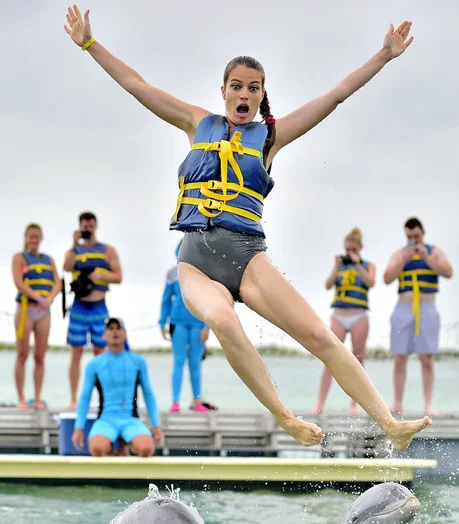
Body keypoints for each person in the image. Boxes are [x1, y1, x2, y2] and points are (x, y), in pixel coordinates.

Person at [64, 8, 431, 450]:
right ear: (223, 91)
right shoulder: (196, 122)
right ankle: (283, 416)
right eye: (236, 86)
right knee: (222, 318)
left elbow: (334, 96)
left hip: (247, 255)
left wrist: (384, 56)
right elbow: (135, 84)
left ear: (261, 96)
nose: (244, 94)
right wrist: (89, 44)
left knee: (320, 335)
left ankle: (390, 423)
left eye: (253, 89)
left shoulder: (271, 137)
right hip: (195, 261)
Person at [384, 217, 453, 416]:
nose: (413, 240)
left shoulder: (434, 251)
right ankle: (397, 403)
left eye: (416, 236)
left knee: (426, 357)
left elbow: (448, 272)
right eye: (409, 237)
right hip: (403, 306)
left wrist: (427, 259)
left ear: (423, 233)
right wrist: (403, 260)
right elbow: (387, 278)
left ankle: (428, 404)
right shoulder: (399, 254)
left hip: (427, 306)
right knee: (399, 357)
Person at [72, 317, 163, 457]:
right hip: (106, 420)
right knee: (97, 448)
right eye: (111, 329)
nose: (115, 332)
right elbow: (85, 397)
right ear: (104, 335)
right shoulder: (95, 364)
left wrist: (156, 425)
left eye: (118, 329)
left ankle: (125, 447)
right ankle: (114, 452)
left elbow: (148, 394)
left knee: (146, 449)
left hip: (130, 420)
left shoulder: (138, 361)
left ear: (125, 334)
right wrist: (79, 428)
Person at [63, 211, 122, 410]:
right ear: (80, 227)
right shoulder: (74, 251)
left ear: (95, 226)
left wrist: (101, 276)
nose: (88, 229)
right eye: (84, 226)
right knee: (76, 353)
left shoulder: (108, 250)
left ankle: (102, 398)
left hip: (99, 306)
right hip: (79, 306)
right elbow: (66, 267)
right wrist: (74, 244)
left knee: (100, 352)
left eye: (90, 226)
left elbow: (119, 276)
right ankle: (73, 399)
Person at [313, 227, 375, 415]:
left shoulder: (367, 265)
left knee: (357, 361)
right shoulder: (341, 266)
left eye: (353, 250)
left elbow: (371, 282)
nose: (350, 253)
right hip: (339, 315)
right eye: (347, 250)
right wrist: (336, 267)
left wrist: (357, 264)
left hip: (359, 316)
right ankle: (319, 405)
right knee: (330, 358)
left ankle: (354, 405)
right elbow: (328, 284)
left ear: (360, 248)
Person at [12, 224, 62, 410]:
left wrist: (49, 299)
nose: (34, 240)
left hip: (44, 311)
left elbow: (58, 283)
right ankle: (21, 399)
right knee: (22, 354)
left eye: (37, 236)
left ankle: (38, 398)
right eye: (31, 236)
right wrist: (38, 298)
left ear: (41, 238)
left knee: (40, 356)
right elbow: (18, 282)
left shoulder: (48, 259)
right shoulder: (20, 257)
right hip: (26, 309)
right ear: (26, 237)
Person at [159, 241, 210, 413]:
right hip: (177, 322)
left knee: (195, 363)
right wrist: (162, 322)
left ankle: (197, 401)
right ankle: (175, 402)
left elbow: (209, 300)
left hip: (198, 322)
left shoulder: (204, 272)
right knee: (178, 362)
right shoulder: (172, 274)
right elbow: (166, 300)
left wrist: (206, 326)